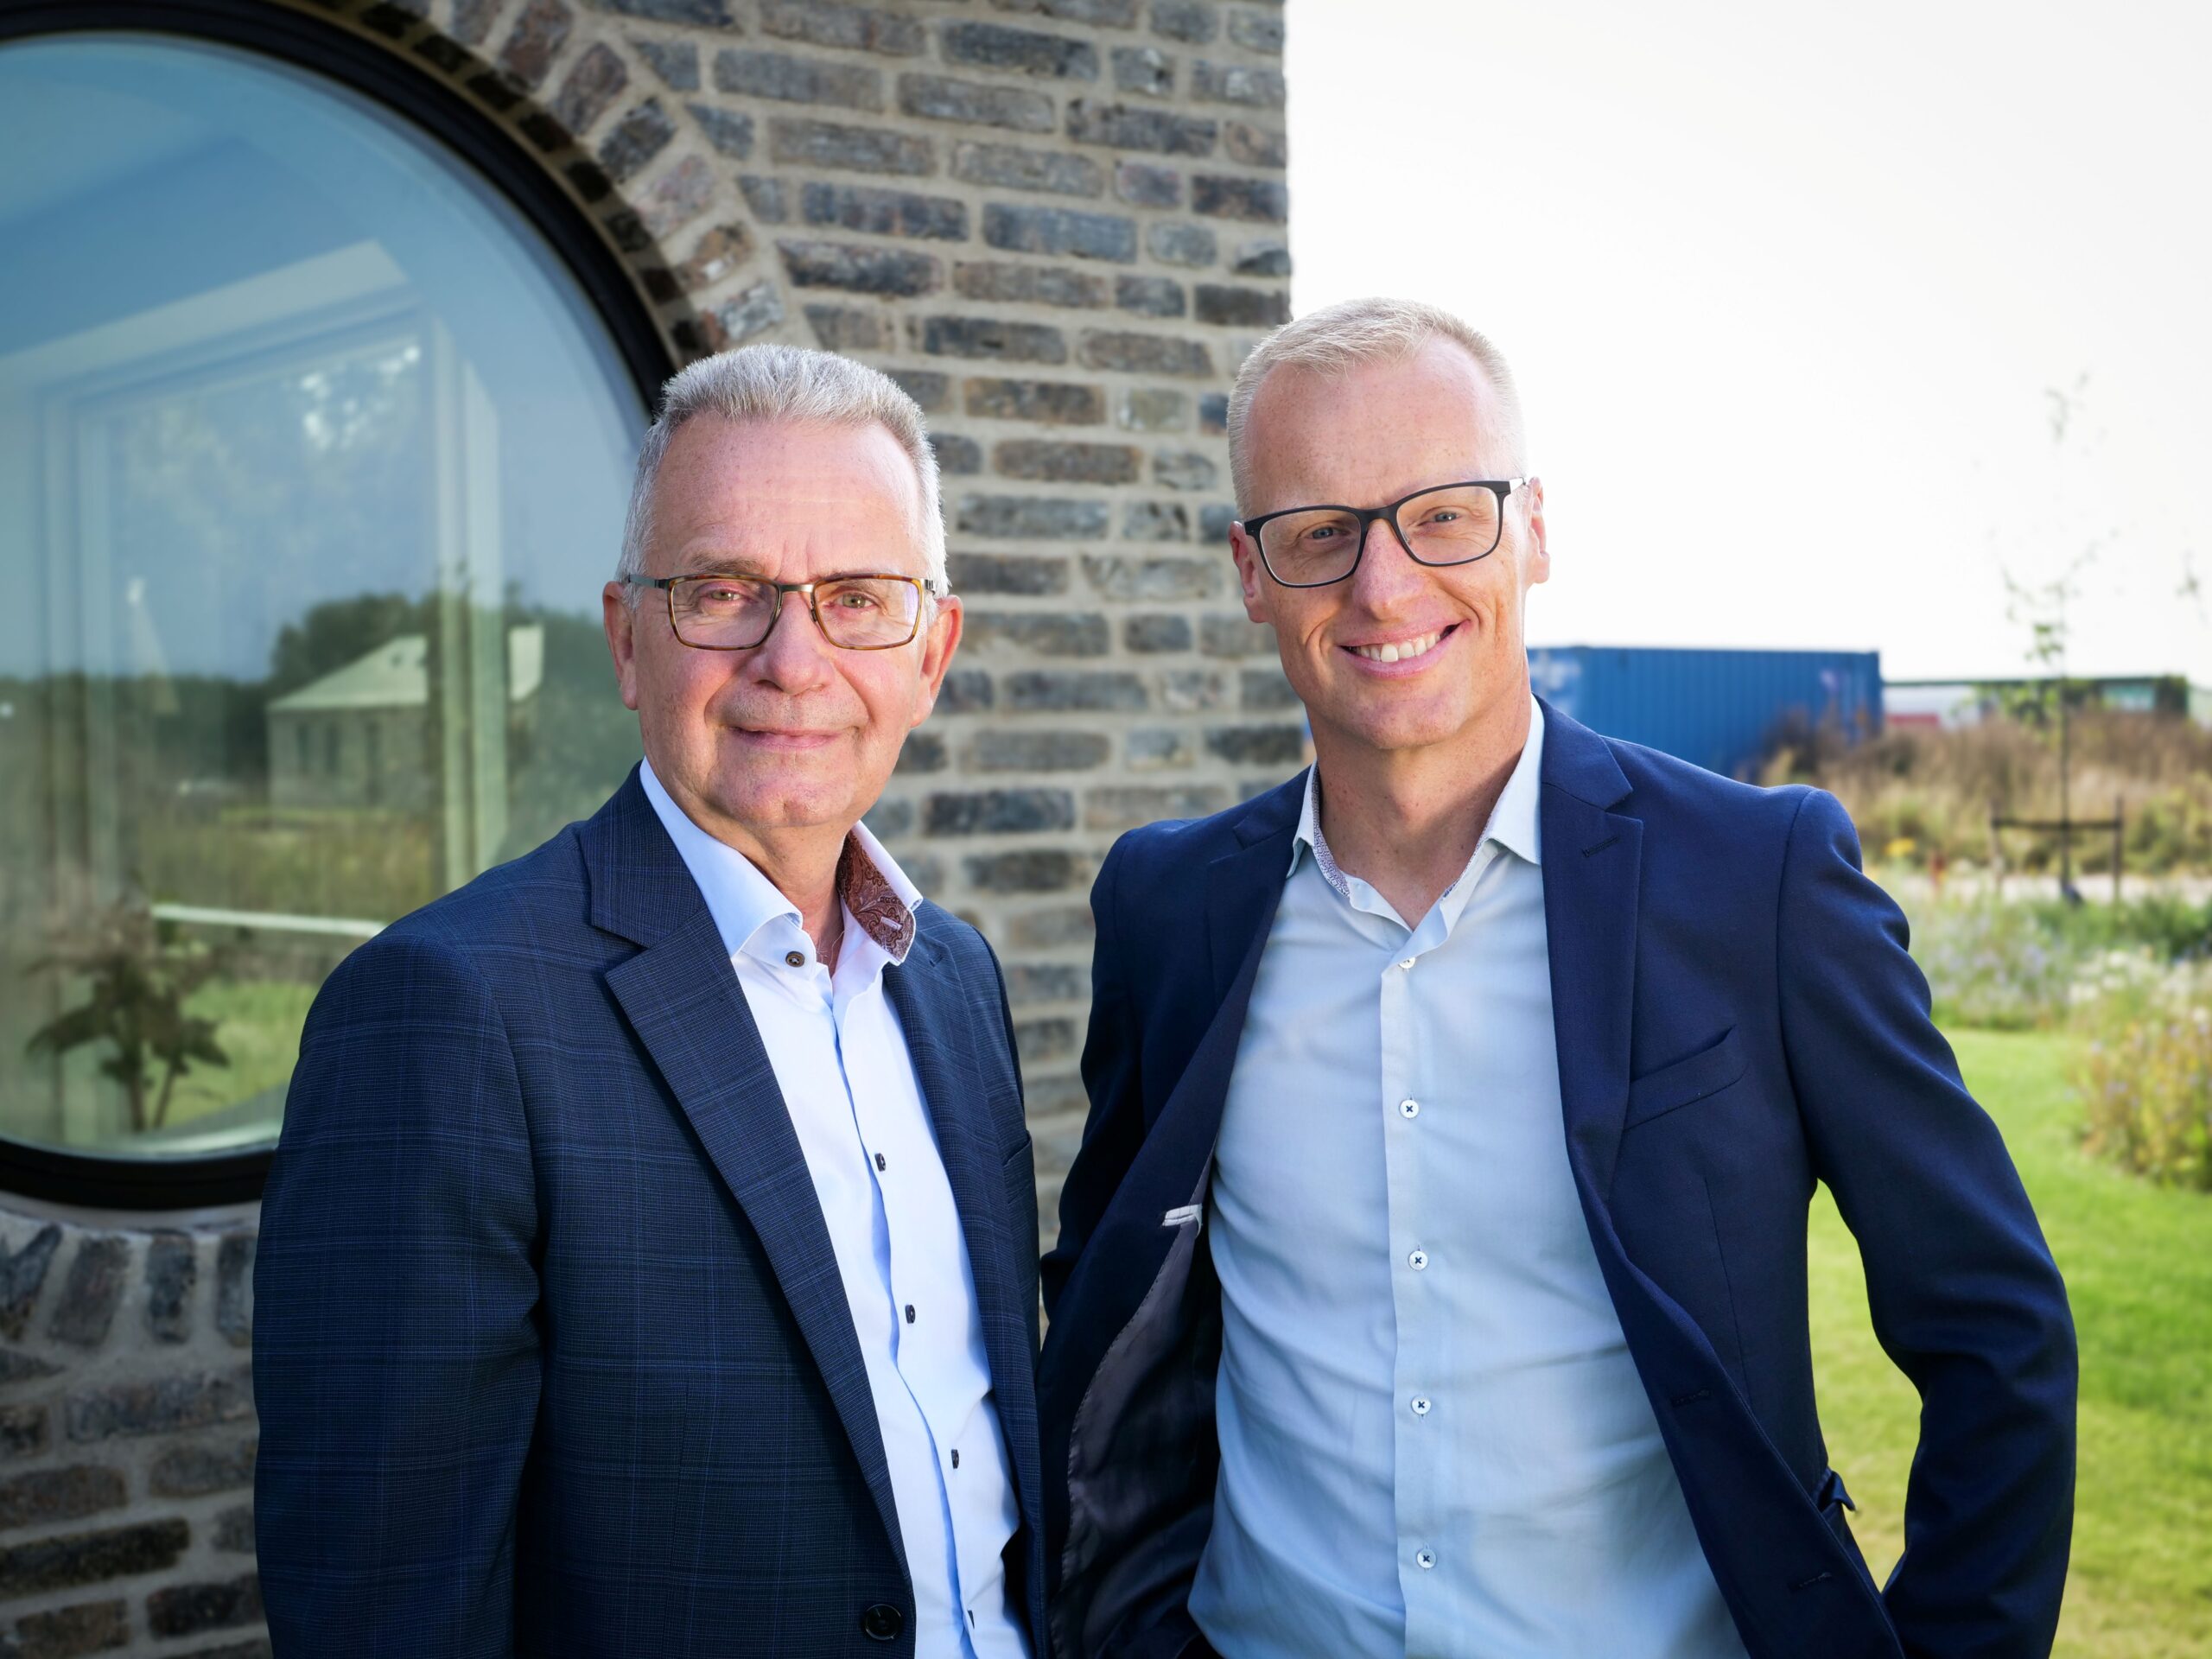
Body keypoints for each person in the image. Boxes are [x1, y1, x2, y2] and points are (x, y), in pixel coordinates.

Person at [1037, 298, 2075, 1659]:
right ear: (1250, 571)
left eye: (1444, 516)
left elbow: (1996, 1335)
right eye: (1320, 532)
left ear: (1533, 529)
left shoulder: (1758, 884)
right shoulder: (1169, 909)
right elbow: (1113, 1316)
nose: (1383, 586)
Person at [255, 345, 1043, 1659]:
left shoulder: (952, 978)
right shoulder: (446, 1012)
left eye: (858, 599)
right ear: (628, 639)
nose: (794, 660)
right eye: (725, 593)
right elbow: (389, 1604)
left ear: (933, 651)